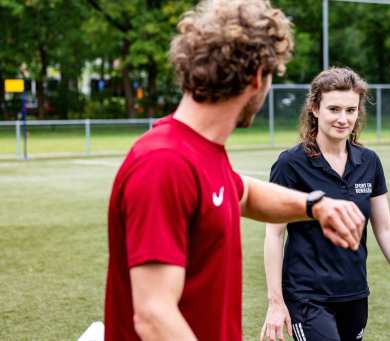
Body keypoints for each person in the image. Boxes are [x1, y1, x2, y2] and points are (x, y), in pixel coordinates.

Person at [103, 2, 367, 340]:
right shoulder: (164, 162)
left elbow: (243, 193)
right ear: (257, 78)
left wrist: (315, 206)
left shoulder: (201, 152)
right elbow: (154, 315)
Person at [260, 67, 390, 341]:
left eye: (351, 110)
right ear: (315, 109)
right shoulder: (290, 164)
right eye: (334, 109)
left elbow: (385, 230)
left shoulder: (369, 162)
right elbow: (274, 233)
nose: (343, 119)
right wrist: (275, 302)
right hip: (307, 296)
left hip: (354, 294)